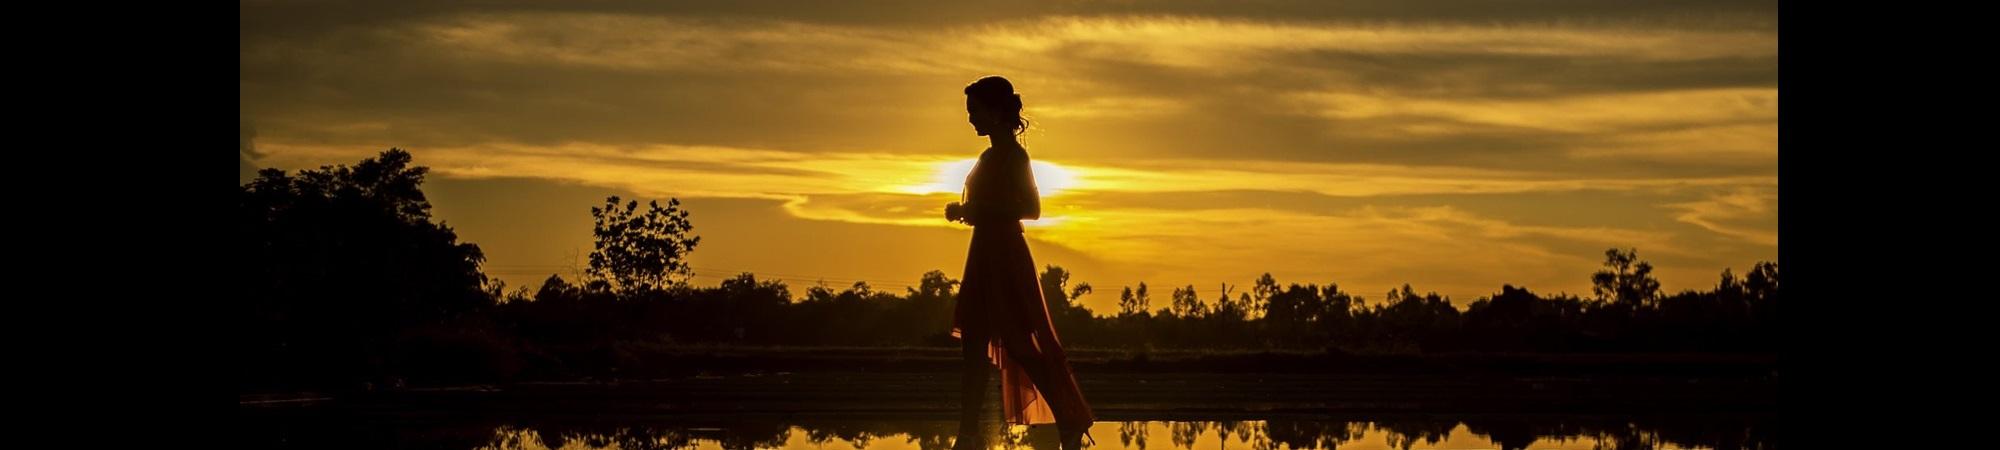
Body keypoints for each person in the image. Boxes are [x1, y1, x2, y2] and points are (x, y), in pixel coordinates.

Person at [945, 75, 1095, 450]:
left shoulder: (1014, 156)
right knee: (973, 349)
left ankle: (1069, 418)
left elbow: (1032, 209)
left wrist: (974, 209)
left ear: (995, 112)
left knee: (1022, 345)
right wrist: (967, 212)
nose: (970, 119)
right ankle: (967, 433)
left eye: (974, 111)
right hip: (983, 253)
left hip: (1006, 255)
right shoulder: (989, 156)